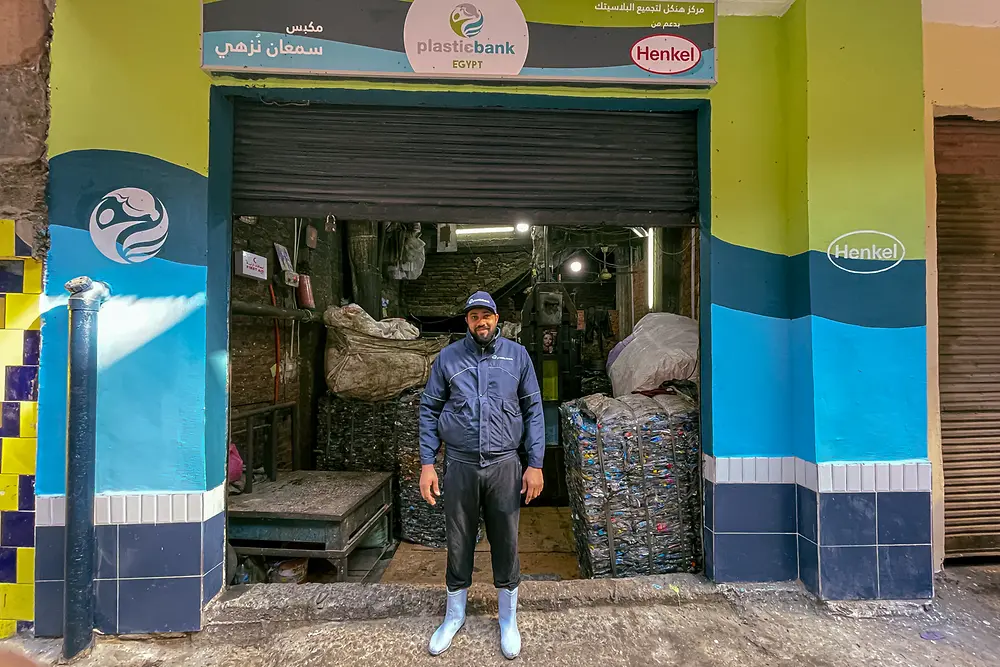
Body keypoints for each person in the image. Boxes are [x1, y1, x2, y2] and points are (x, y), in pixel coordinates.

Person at [418, 291, 545, 660]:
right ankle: (453, 615)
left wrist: (534, 463)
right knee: (458, 540)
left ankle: (508, 619)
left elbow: (534, 410)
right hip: (460, 464)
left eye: (486, 316)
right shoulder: (448, 358)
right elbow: (429, 409)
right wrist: (428, 463)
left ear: (496, 318)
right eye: (474, 317)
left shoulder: (517, 356)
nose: (481, 322)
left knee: (506, 539)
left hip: (505, 464)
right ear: (467, 322)